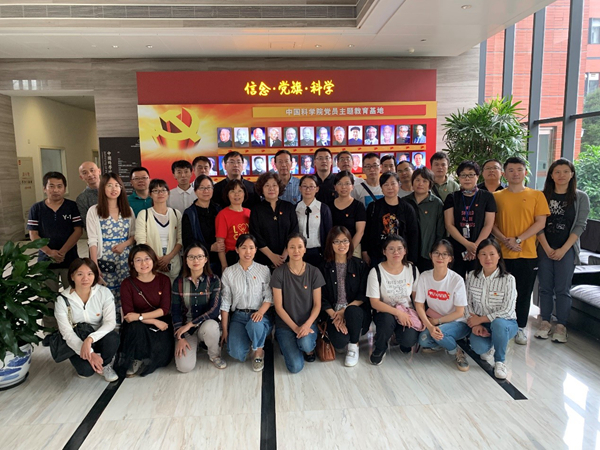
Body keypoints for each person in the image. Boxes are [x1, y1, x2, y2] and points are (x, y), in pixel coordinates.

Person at [492, 156, 550, 345]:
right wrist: (505, 240)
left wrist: (518, 239)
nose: (515, 173)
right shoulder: (496, 196)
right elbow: (491, 224)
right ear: (504, 174)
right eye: (511, 170)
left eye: (519, 169)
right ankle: (501, 327)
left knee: (524, 293)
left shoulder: (537, 195)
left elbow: (540, 223)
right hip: (501, 254)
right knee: (501, 293)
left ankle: (520, 328)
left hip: (527, 253)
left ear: (525, 172)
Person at [535, 159, 590, 343]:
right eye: (557, 172)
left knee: (562, 289)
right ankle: (545, 322)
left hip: (567, 249)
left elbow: (580, 225)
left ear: (572, 174)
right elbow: (537, 224)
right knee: (545, 287)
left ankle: (561, 325)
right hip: (544, 247)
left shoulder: (580, 197)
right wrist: (546, 247)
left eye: (566, 171)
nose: (561, 175)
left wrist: (564, 249)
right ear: (551, 175)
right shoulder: (542, 196)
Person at [28, 171, 83, 329]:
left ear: (64, 188)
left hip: (70, 260)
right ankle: (50, 330)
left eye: (59, 186)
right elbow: (33, 234)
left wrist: (63, 251)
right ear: (44, 188)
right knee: (47, 299)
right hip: (46, 262)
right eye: (51, 186)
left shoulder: (71, 206)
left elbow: (78, 231)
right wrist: (49, 252)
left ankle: (74, 328)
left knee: (72, 296)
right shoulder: (37, 208)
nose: (56, 190)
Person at [55, 258, 119, 382]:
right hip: (77, 339)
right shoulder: (62, 300)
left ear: (95, 276)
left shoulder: (104, 293)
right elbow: (67, 333)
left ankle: (105, 364)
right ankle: (94, 359)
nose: (85, 278)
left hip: (98, 337)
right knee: (86, 372)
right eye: (80, 274)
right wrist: (90, 353)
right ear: (72, 276)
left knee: (113, 338)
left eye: (90, 274)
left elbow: (110, 322)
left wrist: (90, 339)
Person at [114, 245, 174, 378]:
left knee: (163, 356)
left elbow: (164, 310)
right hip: (137, 323)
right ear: (132, 263)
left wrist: (142, 317)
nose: (143, 263)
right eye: (138, 260)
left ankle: (148, 358)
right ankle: (136, 359)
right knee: (135, 328)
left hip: (160, 320)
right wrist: (149, 320)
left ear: (153, 260)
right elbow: (129, 315)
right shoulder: (127, 284)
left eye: (147, 259)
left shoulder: (164, 280)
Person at [271, 234, 326, 373]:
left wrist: (306, 325)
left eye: (300, 247)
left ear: (305, 249)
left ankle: (308, 349)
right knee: (295, 368)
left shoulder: (314, 272)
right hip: (285, 326)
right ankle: (287, 344)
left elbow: (317, 305)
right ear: (287, 250)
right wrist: (296, 328)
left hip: (307, 323)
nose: (296, 251)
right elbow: (278, 307)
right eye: (292, 247)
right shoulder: (278, 273)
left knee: (306, 344)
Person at [87, 172, 136, 325]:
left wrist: (123, 245)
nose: (114, 189)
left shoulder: (128, 210)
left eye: (117, 185)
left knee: (126, 293)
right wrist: (94, 266)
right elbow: (92, 240)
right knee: (107, 295)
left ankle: (127, 327)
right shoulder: (94, 211)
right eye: (109, 185)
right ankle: (110, 328)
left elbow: (134, 235)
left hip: (125, 259)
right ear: (103, 188)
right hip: (105, 260)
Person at [415, 240, 470, 372]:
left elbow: (460, 312)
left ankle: (457, 351)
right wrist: (430, 326)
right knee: (423, 340)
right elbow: (419, 304)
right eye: (437, 253)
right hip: (435, 322)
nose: (440, 257)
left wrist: (437, 322)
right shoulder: (424, 276)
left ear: (450, 258)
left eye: (445, 254)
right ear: (430, 255)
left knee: (440, 333)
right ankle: (444, 342)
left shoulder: (457, 280)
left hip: (458, 322)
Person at [466, 239, 518, 380]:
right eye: (483, 254)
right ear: (478, 256)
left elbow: (507, 310)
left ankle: (500, 361)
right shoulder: (471, 276)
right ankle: (494, 344)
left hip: (506, 323)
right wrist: (475, 324)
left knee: (498, 324)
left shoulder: (508, 279)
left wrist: (481, 319)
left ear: (499, 255)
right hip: (481, 324)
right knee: (479, 349)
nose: (488, 258)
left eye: (492, 254)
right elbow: (467, 303)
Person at [220, 235, 273, 372]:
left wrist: (260, 312)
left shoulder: (264, 270)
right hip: (239, 316)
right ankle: (253, 339)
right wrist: (225, 330)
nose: (247, 252)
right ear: (237, 250)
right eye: (243, 248)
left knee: (255, 324)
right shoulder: (229, 273)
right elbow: (225, 302)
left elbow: (269, 297)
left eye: (251, 248)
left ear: (256, 250)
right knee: (236, 353)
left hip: (259, 314)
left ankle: (258, 351)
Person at [367, 235, 421, 366]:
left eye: (399, 248)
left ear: (405, 251)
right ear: (384, 251)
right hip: (385, 312)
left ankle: (398, 337)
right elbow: (374, 302)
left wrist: (421, 317)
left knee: (408, 341)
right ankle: (380, 347)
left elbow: (416, 298)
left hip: (407, 311)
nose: (396, 252)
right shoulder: (376, 272)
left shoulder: (412, 270)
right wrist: (398, 313)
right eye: (391, 249)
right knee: (386, 321)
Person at [319, 227, 370, 366]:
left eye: (345, 241)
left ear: (350, 242)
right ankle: (345, 337)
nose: (341, 245)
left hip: (354, 310)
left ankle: (354, 346)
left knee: (352, 312)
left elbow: (363, 294)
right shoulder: (323, 267)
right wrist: (335, 315)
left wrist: (344, 311)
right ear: (330, 244)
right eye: (336, 241)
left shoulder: (360, 265)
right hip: (333, 312)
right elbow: (320, 297)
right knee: (340, 342)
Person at [172, 243, 226, 371]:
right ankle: (195, 345)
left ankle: (214, 354)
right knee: (184, 367)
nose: (196, 260)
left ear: (206, 259)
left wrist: (191, 324)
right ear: (186, 260)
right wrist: (180, 337)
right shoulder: (178, 282)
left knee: (211, 327)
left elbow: (214, 310)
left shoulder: (214, 280)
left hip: (204, 325)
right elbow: (175, 311)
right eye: (191, 257)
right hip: (186, 329)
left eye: (199, 257)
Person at [444, 161, 496, 278]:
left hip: (481, 248)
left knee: (479, 281)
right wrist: (467, 244)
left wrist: (475, 247)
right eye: (463, 175)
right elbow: (449, 224)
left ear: (477, 176)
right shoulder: (452, 197)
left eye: (471, 175)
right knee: (457, 281)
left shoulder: (487, 197)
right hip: (457, 247)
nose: (467, 178)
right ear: (459, 178)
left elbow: (488, 224)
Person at [362, 172, 419, 267]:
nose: (390, 187)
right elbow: (366, 231)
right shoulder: (373, 207)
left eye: (393, 184)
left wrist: (411, 258)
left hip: (400, 255)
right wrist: (364, 251)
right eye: (386, 185)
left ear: (399, 185)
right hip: (377, 255)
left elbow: (413, 234)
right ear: (381, 187)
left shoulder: (407, 208)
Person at [135, 179, 183, 282]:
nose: (160, 193)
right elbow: (141, 240)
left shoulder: (176, 214)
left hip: (173, 260)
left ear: (168, 193)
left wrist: (168, 257)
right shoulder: (144, 214)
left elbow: (180, 239)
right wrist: (156, 258)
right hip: (151, 261)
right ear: (150, 194)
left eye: (163, 190)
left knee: (173, 288)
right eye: (155, 191)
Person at [250, 172, 299, 269]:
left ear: (279, 187)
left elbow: (294, 231)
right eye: (267, 185)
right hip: (263, 261)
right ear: (261, 189)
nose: (271, 188)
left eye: (274, 185)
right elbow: (256, 235)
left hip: (288, 258)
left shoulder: (289, 207)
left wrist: (284, 255)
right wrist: (272, 256)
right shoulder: (256, 210)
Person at [182, 175, 223, 275]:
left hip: (220, 260)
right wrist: (210, 247)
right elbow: (188, 241)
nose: (206, 191)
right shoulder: (189, 213)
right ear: (195, 191)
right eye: (202, 188)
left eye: (209, 187)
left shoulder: (219, 209)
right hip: (199, 262)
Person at [406, 168, 444, 273]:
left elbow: (440, 231)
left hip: (428, 253)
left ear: (430, 184)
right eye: (417, 180)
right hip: (407, 254)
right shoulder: (405, 202)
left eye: (424, 181)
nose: (420, 184)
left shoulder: (437, 203)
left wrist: (436, 251)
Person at [296, 175, 333, 267]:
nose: (308, 189)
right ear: (300, 188)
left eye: (311, 186)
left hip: (318, 252)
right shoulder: (295, 209)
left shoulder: (323, 208)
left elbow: (328, 232)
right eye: (304, 186)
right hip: (299, 252)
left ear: (317, 189)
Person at [216, 179, 251, 269]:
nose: (237, 194)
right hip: (232, 257)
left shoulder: (249, 213)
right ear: (227, 195)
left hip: (250, 255)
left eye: (240, 191)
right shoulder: (223, 215)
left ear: (244, 193)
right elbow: (220, 243)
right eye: (232, 191)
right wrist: (224, 265)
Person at [331, 171, 366, 258]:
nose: (343, 187)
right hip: (333, 249)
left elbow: (360, 231)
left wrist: (349, 250)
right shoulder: (328, 206)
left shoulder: (358, 206)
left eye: (347, 183)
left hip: (353, 248)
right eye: (339, 184)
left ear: (352, 187)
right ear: (335, 187)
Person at [76, 161, 100, 228]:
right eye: (85, 173)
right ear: (81, 177)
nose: (89, 174)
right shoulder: (81, 198)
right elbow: (87, 224)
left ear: (99, 171)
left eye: (92, 170)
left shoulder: (112, 191)